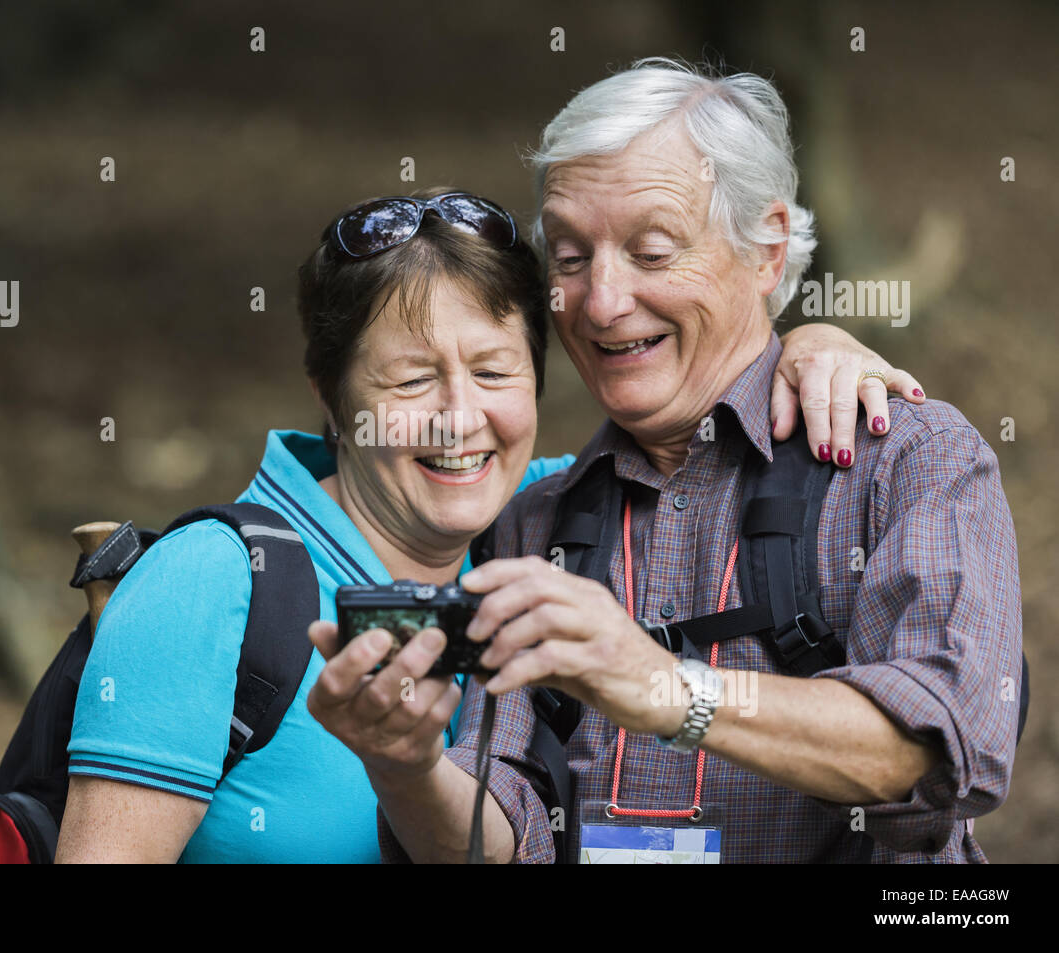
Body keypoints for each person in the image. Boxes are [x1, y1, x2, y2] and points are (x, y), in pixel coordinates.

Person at [56, 183, 924, 862]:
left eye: (495, 371)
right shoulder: (209, 580)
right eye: (408, 382)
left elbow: (715, 438)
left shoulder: (563, 514)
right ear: (330, 395)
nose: (459, 419)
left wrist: (814, 346)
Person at [308, 60, 1022, 863]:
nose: (602, 302)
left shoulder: (908, 461)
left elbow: (937, 747)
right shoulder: (535, 521)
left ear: (766, 251)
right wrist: (403, 768)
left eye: (651, 252)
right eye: (571, 258)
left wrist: (658, 686)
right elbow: (502, 837)